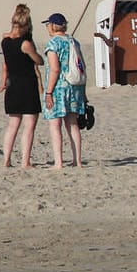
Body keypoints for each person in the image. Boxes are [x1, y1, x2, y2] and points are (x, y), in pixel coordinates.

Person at [0, 4, 45, 168]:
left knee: (12, 125)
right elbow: (39, 61)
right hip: (27, 85)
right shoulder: (26, 44)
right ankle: (25, 161)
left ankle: (7, 159)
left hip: (13, 85)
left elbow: (6, 64)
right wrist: (35, 53)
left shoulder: (5, 41)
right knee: (29, 126)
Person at [40, 12, 87, 169]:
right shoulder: (74, 42)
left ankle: (58, 162)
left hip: (59, 87)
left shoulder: (53, 44)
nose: (47, 27)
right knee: (72, 124)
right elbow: (82, 67)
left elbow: (54, 69)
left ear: (53, 26)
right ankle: (77, 160)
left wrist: (48, 92)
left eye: (48, 24)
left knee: (55, 124)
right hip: (75, 86)